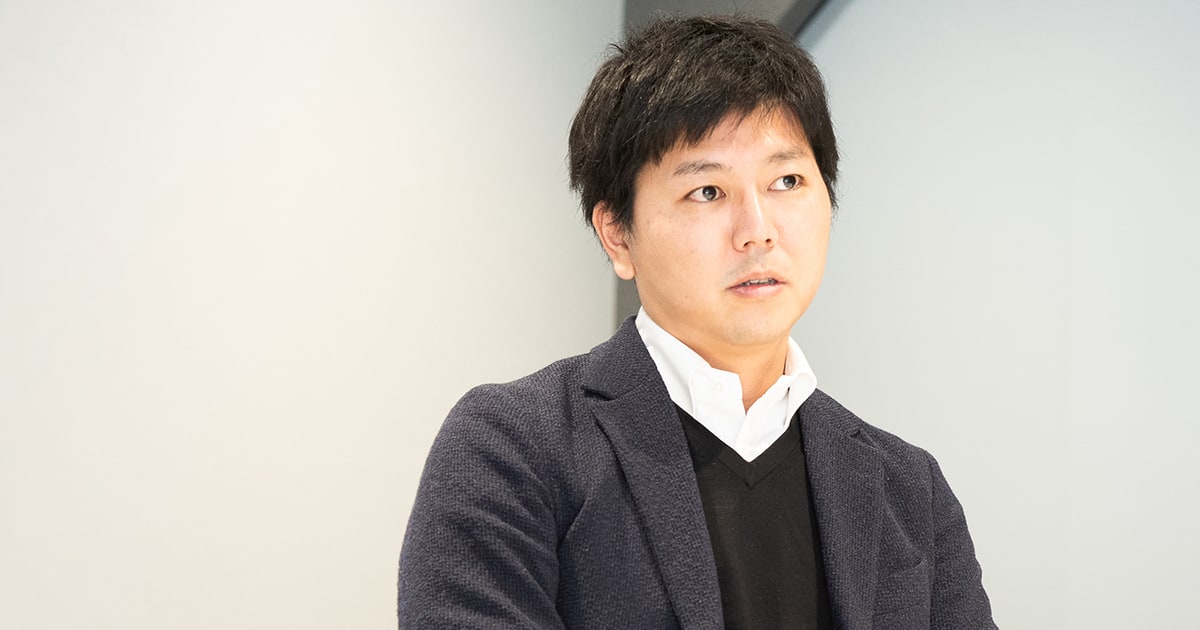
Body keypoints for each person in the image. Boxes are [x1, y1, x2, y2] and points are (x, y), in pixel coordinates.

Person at [398, 14, 995, 630]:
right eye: (707, 191)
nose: (757, 230)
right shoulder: (514, 447)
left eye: (787, 180)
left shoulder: (909, 489)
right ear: (617, 234)